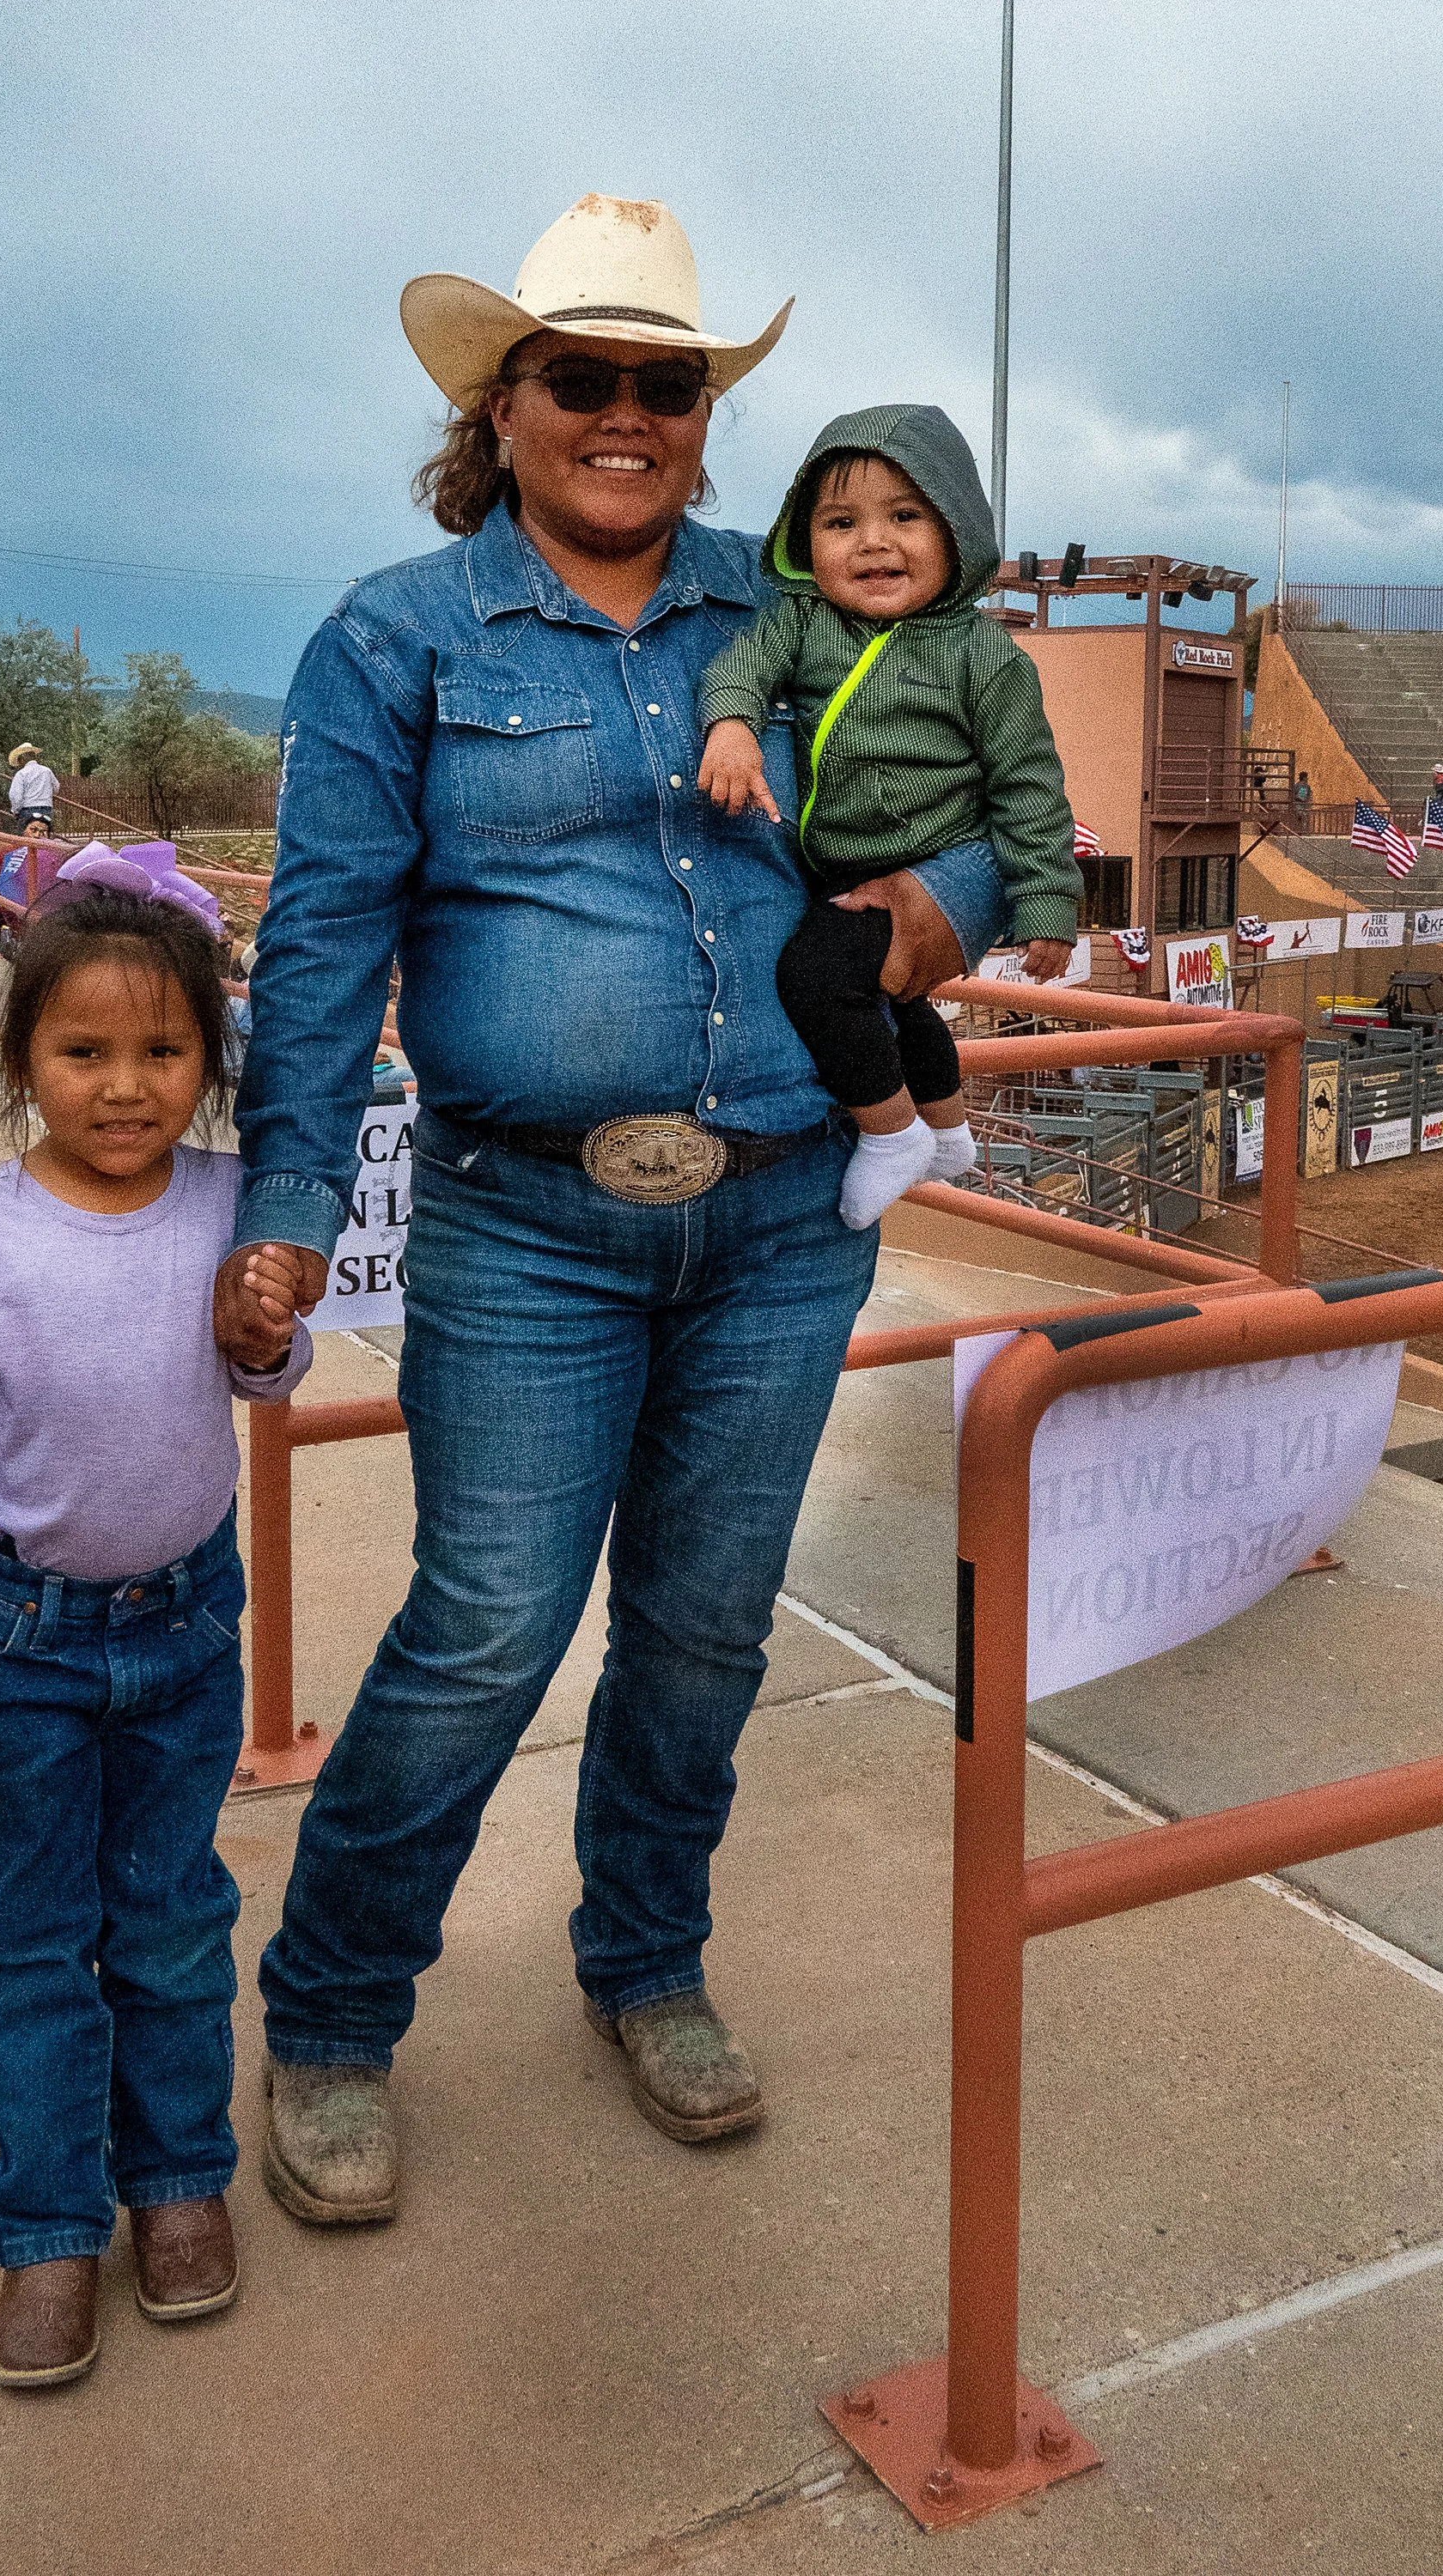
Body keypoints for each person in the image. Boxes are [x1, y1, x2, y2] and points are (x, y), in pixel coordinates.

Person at [214, 194, 1015, 2226]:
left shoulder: (814, 606)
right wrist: (289, 1201)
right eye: (588, 378)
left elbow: (996, 806)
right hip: (528, 1223)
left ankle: (646, 1959)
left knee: (704, 1625)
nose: (631, 416)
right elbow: (321, 939)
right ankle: (327, 2012)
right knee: (488, 1627)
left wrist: (939, 913)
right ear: (510, 405)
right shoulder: (397, 634)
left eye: (669, 383)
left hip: (780, 1214)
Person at [0, 880, 312, 2387]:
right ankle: (51, 2224)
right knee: (33, 1946)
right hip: (22, 1653)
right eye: (83, 1053)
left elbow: (263, 1371)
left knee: (174, 1922)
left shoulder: (231, 1201)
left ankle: (177, 2181)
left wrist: (267, 1331)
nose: (126, 1086)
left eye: (165, 1051)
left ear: (209, 1062)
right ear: (21, 1064)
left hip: (187, 1635)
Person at [697, 407, 1079, 1225]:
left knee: (816, 977)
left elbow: (1029, 786)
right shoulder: (802, 622)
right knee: (896, 1004)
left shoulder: (986, 656)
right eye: (841, 523)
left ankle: (890, 1131)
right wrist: (731, 725)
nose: (873, 542)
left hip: (933, 860)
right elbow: (742, 669)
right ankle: (946, 1132)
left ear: (956, 530)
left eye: (905, 516)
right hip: (838, 860)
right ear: (806, 544)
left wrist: (1046, 903)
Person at [8, 743, 60, 829]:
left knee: (26, 837)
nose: (19, 763)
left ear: (23, 758)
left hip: (27, 810)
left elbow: (16, 796)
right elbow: (56, 787)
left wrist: (16, 810)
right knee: (44, 836)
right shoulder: (47, 771)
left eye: (19, 760)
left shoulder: (21, 774)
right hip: (46, 808)